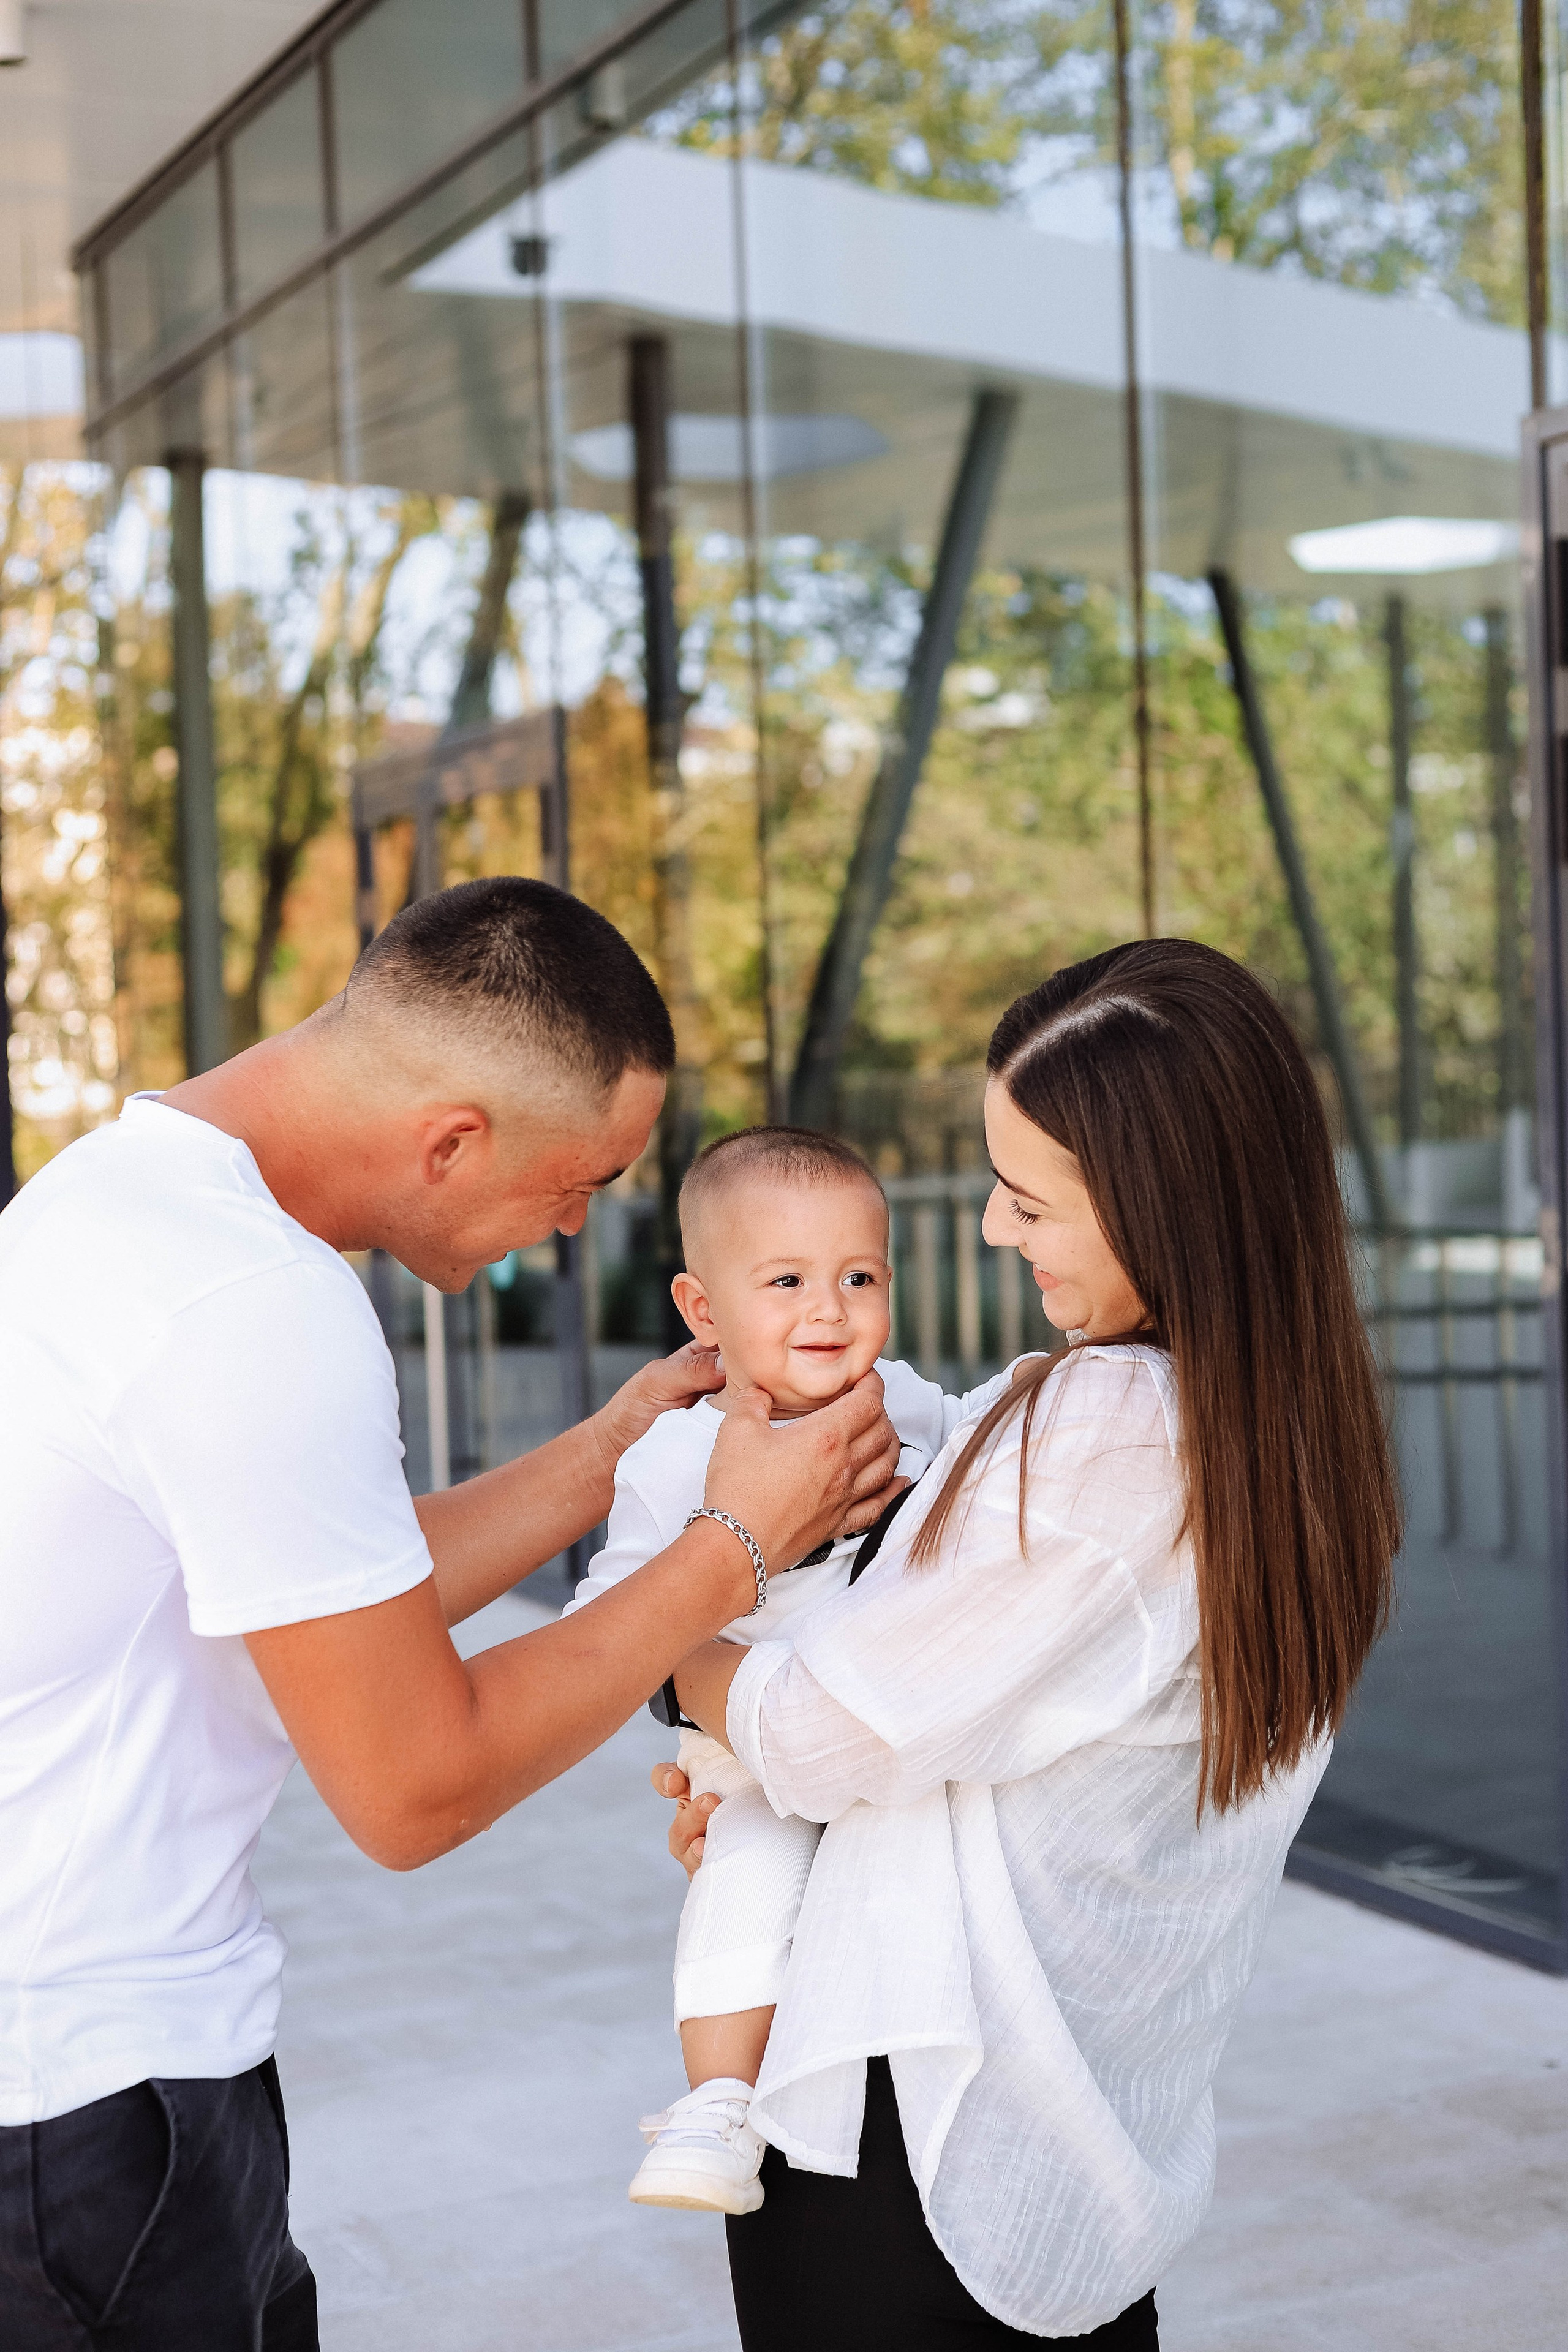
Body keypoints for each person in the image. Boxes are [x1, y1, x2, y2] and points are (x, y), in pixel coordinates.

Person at [0, 878, 900, 2352]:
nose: (568, 1230)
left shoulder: (122, 1200)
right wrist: (734, 1547)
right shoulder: (252, 1304)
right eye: (578, 1182)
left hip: (100, 2079)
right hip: (83, 2116)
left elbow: (323, 1591)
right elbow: (415, 1787)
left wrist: (618, 1449)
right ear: (449, 1140)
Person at [657, 939, 1401, 2351]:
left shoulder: (1115, 1428)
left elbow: (815, 1735)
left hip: (920, 2139)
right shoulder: (1291, 1439)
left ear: (1159, 1205)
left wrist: (678, 1663)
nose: (995, 1233)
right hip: (1070, 2140)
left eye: (1024, 1197)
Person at [564, 1126, 1007, 2214]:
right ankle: (716, 2104)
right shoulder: (675, 1455)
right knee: (749, 1870)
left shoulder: (903, 1400)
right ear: (704, 1311)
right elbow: (604, 1625)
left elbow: (983, 1446)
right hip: (751, 1748)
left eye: (860, 1278)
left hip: (888, 1727)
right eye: (789, 1282)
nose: (830, 1310)